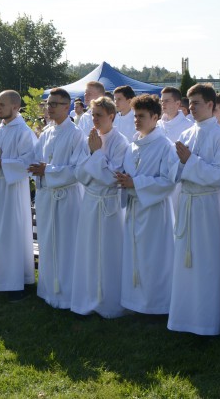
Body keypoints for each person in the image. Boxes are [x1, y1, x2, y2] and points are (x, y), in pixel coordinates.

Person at [167, 83, 220, 335]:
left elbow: (219, 174)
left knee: (207, 263)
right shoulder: (188, 132)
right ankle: (185, 318)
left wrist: (190, 161)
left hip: (208, 206)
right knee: (185, 262)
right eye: (189, 102)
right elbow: (174, 169)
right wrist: (183, 164)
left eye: (197, 103)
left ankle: (208, 321)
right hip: (188, 202)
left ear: (211, 105)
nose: (191, 107)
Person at [29, 88, 89, 309]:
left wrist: (48, 170)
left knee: (66, 246)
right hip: (47, 196)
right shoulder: (45, 133)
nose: (50, 107)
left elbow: (78, 171)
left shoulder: (76, 134)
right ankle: (48, 291)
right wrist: (38, 171)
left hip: (67, 198)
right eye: (48, 103)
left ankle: (67, 294)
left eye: (55, 103)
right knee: (48, 243)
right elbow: (36, 162)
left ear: (67, 106)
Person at [117, 94, 176, 314]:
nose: (136, 120)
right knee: (134, 256)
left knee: (154, 259)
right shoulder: (133, 145)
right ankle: (135, 303)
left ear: (155, 117)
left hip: (154, 211)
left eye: (141, 116)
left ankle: (156, 306)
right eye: (135, 116)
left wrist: (136, 183)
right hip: (134, 208)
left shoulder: (165, 146)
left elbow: (168, 181)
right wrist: (124, 181)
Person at [71, 96, 129, 318]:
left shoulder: (120, 142)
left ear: (111, 116)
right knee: (89, 250)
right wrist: (94, 162)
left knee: (108, 252)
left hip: (110, 205)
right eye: (93, 115)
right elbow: (79, 173)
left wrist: (96, 155)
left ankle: (108, 302)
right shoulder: (90, 139)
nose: (94, 119)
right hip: (91, 201)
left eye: (99, 115)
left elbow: (112, 177)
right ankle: (88, 298)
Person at [0, 90, 36, 300]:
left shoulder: (23, 132)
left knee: (10, 234)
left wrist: (1, 164)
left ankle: (14, 283)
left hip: (12, 190)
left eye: (2, 104)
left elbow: (29, 162)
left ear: (15, 107)